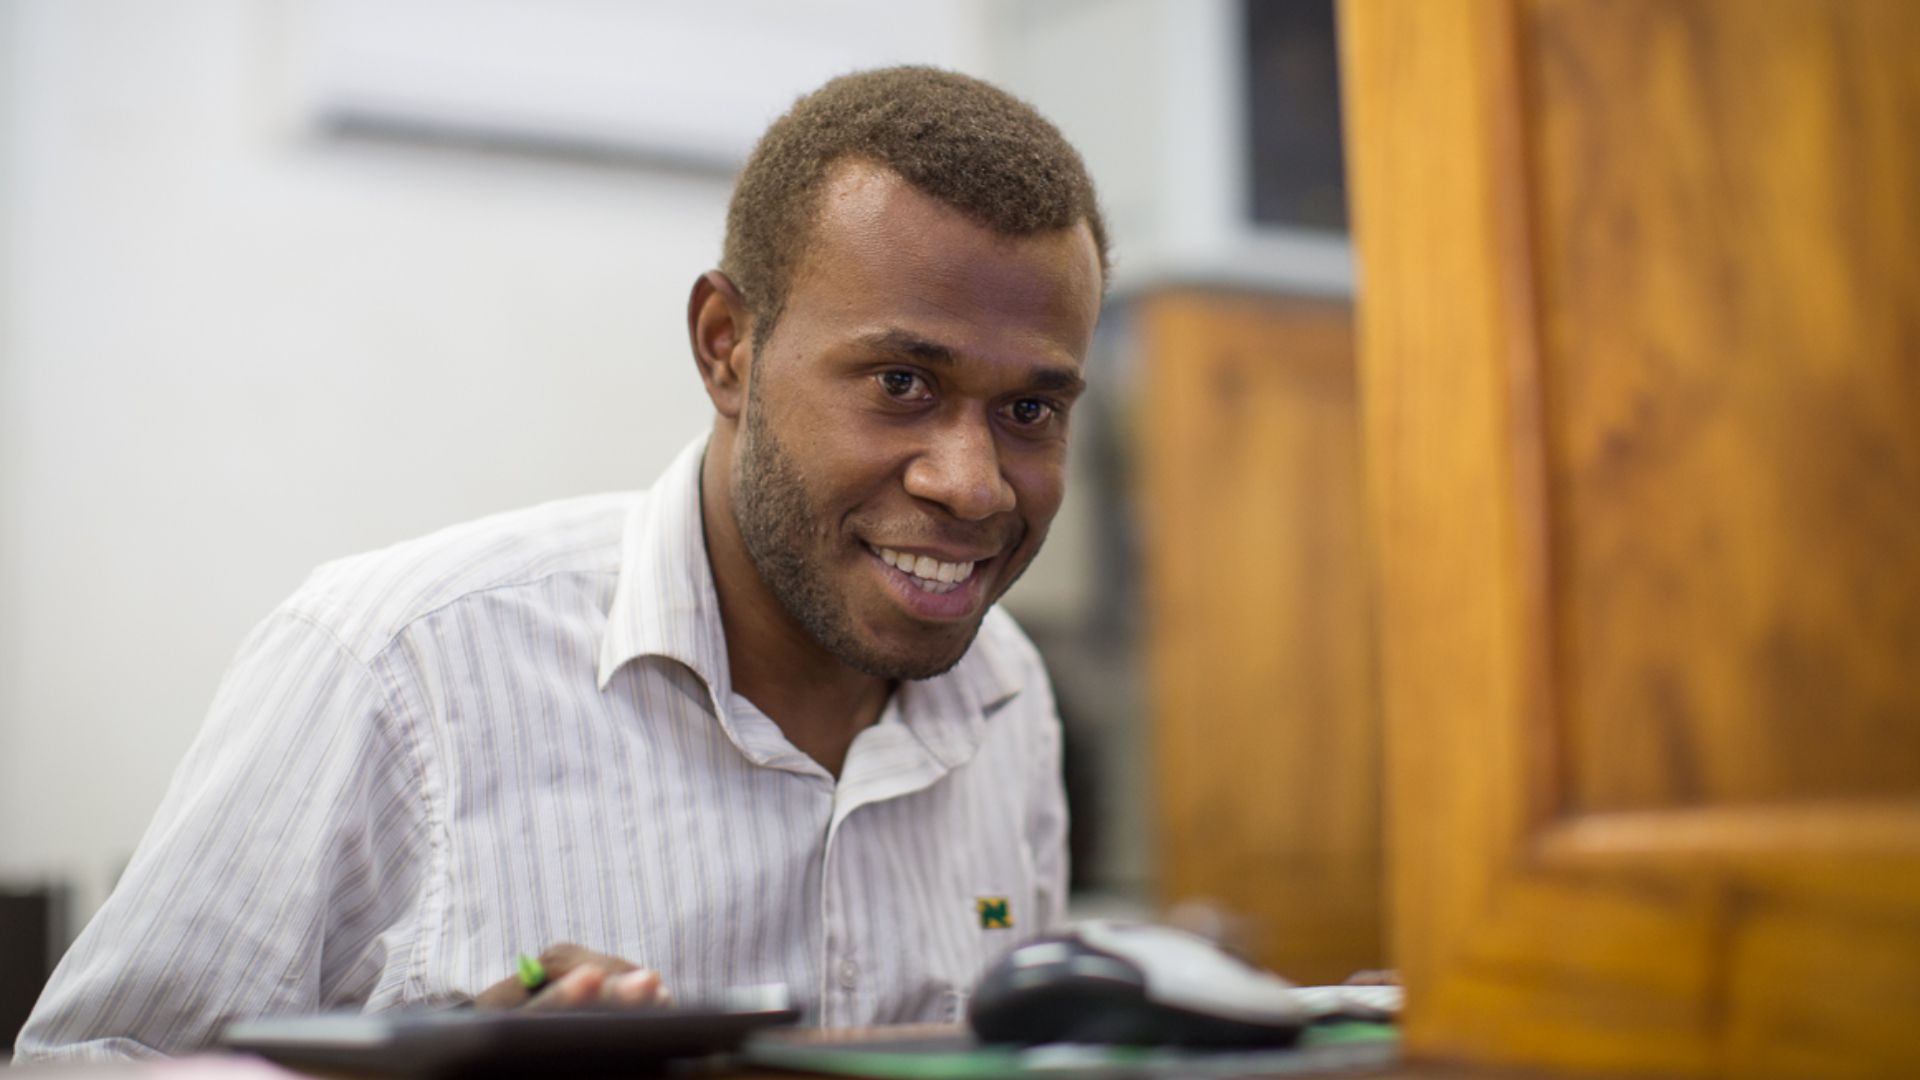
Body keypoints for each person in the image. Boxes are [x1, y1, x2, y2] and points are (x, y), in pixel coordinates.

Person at [15, 66, 1108, 1063]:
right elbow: (80, 1065)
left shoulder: (1005, 693)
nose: (972, 484)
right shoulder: (398, 668)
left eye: (1029, 409)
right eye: (901, 383)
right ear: (727, 347)